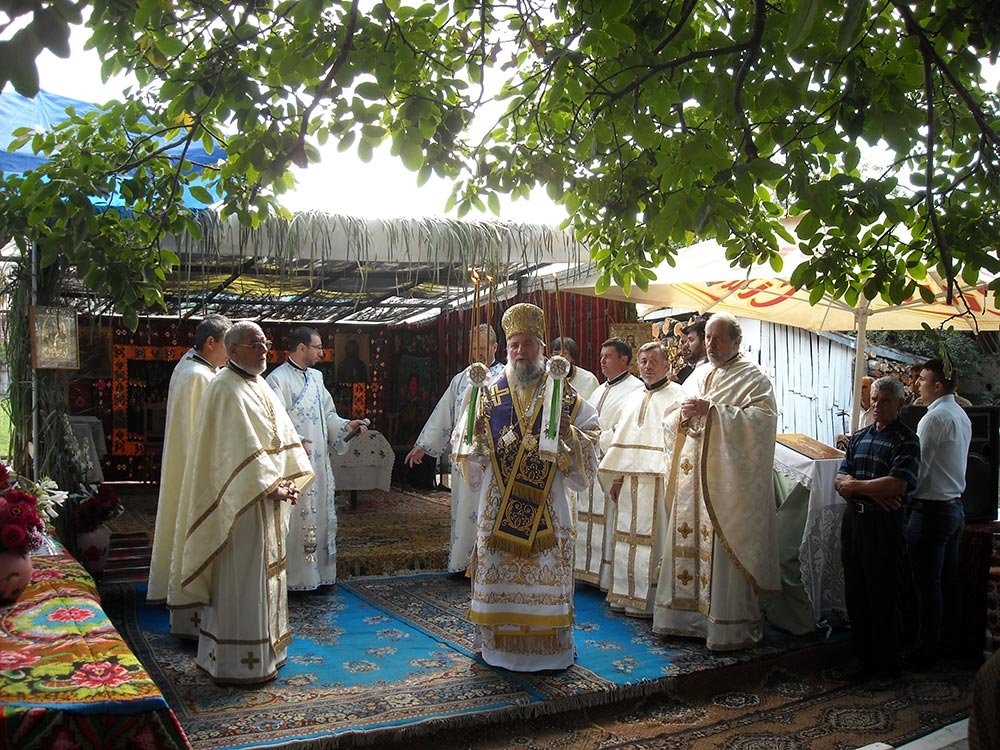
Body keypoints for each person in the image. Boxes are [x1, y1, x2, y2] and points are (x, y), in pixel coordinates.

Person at [462, 303, 599, 671]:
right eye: (514, 346)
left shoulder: (564, 394)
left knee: (548, 569)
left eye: (528, 344)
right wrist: (474, 436)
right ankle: (497, 648)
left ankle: (550, 652)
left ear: (543, 347)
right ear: (506, 351)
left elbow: (593, 434)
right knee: (496, 570)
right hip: (498, 505)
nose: (521, 351)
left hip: (549, 506)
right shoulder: (488, 394)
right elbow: (467, 449)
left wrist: (568, 436)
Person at [178, 321, 314, 685]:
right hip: (240, 504)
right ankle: (236, 661)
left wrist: (286, 480)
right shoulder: (224, 388)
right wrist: (274, 485)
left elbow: (280, 437)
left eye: (265, 343)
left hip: (266, 500)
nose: (264, 350)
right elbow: (235, 450)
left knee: (265, 575)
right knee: (243, 578)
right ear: (233, 349)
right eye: (255, 345)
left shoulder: (258, 385)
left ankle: (269, 650)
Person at [653, 313, 781, 650]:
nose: (710, 345)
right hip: (689, 480)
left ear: (737, 342)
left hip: (727, 488)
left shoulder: (754, 379)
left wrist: (715, 413)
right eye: (708, 338)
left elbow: (762, 424)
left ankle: (725, 626)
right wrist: (681, 417)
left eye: (718, 339)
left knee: (721, 554)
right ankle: (683, 618)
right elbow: (673, 418)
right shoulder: (698, 374)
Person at [148, 314, 231, 638]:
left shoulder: (189, 365)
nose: (228, 355)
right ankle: (192, 606)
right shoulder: (199, 376)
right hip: (197, 471)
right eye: (226, 346)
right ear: (210, 343)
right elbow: (208, 432)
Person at [266, 326, 368, 591]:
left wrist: (346, 425)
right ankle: (296, 580)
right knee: (297, 518)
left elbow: (329, 415)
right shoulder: (277, 380)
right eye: (318, 347)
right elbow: (275, 422)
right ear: (302, 348)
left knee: (320, 515)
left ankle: (319, 576)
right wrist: (294, 441)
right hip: (295, 465)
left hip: (319, 465)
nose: (322, 353)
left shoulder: (317, 378)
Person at [835, 376, 920, 686]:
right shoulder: (859, 437)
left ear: (898, 404)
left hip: (884, 525)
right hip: (855, 522)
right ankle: (863, 660)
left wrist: (856, 487)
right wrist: (868, 489)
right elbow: (840, 478)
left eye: (884, 400)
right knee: (856, 592)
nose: (876, 405)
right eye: (873, 399)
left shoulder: (907, 440)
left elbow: (897, 484)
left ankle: (888, 666)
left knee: (883, 594)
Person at [404, 324, 504, 574]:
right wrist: (422, 446)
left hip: (495, 460)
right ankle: (462, 564)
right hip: (463, 460)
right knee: (464, 510)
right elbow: (443, 414)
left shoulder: (505, 377)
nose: (478, 353)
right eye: (474, 349)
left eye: (483, 348)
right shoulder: (461, 379)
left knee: (492, 509)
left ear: (495, 347)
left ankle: (490, 566)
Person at [598, 341, 682, 616]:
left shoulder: (678, 395)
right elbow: (621, 441)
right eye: (643, 361)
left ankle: (650, 602)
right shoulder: (634, 397)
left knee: (654, 539)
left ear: (667, 365)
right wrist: (618, 477)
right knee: (626, 536)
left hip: (659, 482)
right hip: (631, 481)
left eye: (653, 361)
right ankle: (625, 595)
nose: (647, 366)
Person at [905, 358, 971, 669]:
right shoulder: (960, 413)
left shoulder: (933, 419)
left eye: (923, 379)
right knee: (947, 581)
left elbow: (920, 468)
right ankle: (951, 644)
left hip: (931, 511)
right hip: (954, 507)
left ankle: (926, 649)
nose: (918, 384)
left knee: (926, 584)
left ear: (938, 385)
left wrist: (899, 493)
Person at [573, 337, 643, 587]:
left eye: (608, 357)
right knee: (585, 516)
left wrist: (594, 438)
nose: (602, 361)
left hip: (611, 465)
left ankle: (605, 579)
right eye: (601, 357)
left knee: (610, 520)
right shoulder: (599, 389)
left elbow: (626, 431)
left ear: (624, 359)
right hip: (591, 462)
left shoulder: (636, 390)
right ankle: (584, 571)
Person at [550, 336, 600, 402]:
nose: (560, 357)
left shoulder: (588, 379)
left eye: (564, 354)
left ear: (572, 357)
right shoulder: (545, 378)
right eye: (556, 353)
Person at [672, 317, 707, 385]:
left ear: (704, 342)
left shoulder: (711, 370)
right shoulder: (687, 370)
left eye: (691, 340)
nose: (686, 345)